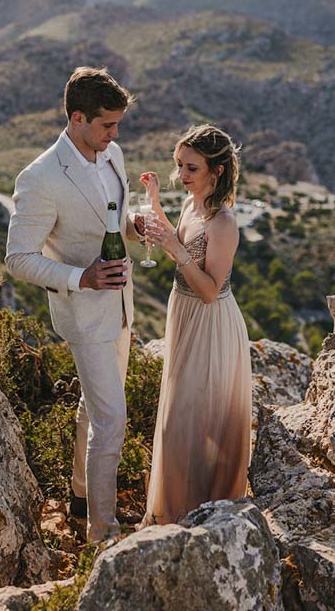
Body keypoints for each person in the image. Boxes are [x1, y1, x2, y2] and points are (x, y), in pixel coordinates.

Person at [4, 66, 142, 542]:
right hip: (84, 314)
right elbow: (18, 258)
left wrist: (133, 226)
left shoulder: (114, 154)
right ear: (78, 118)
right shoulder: (40, 177)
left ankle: (81, 501)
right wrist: (80, 277)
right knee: (111, 420)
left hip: (123, 306)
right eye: (107, 124)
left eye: (118, 125)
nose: (115, 134)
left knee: (94, 406)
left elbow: (111, 219)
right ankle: (101, 537)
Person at [139, 123, 252, 526]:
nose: (181, 176)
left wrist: (173, 250)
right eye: (179, 166)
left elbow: (209, 289)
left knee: (188, 422)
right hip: (182, 313)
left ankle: (194, 514)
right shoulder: (190, 205)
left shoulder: (224, 223)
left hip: (209, 323)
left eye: (191, 168)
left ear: (216, 171)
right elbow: (175, 237)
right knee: (179, 418)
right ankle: (172, 511)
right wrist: (153, 204)